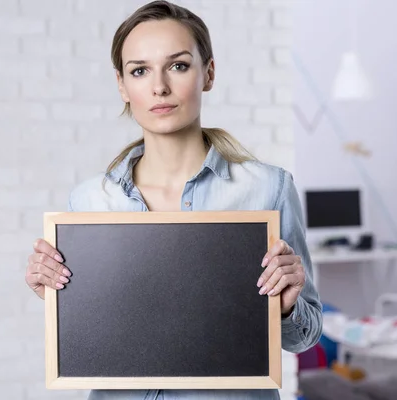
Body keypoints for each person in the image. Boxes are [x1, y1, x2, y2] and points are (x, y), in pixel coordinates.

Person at [23, 1, 322, 399]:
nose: (159, 87)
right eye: (140, 70)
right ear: (121, 84)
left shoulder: (268, 188)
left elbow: (304, 338)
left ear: (208, 74)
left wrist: (285, 307)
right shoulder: (92, 199)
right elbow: (96, 338)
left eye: (178, 66)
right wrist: (60, 300)